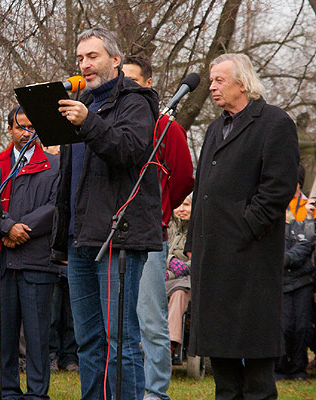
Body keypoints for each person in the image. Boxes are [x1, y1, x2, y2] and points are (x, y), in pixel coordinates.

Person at [54, 27, 162, 399]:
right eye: (80, 58)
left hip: (117, 237)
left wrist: (89, 122)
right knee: (87, 342)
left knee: (122, 341)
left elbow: (129, 150)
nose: (85, 65)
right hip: (79, 238)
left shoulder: (136, 100)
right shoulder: (81, 105)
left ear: (115, 60)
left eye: (93, 57)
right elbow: (70, 177)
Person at [184, 53, 299, 398]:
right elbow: (202, 186)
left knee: (258, 376)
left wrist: (244, 226)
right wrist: (194, 239)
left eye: (220, 80)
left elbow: (278, 189)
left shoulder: (274, 123)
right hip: (212, 257)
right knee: (224, 375)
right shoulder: (215, 128)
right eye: (211, 80)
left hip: (251, 260)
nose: (213, 87)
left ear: (243, 82)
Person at [0, 106, 60, 399]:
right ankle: (7, 393)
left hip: (37, 261)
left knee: (37, 336)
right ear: (9, 129)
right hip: (1, 262)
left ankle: (37, 394)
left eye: (32, 127)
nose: (27, 133)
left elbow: (56, 206)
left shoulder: (55, 166)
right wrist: (7, 226)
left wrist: (24, 229)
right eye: (21, 127)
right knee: (4, 335)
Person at [123, 55, 194, 400]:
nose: (126, 88)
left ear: (149, 84)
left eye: (133, 81)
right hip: (113, 236)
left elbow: (182, 179)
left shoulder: (167, 128)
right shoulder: (111, 123)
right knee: (119, 323)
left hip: (150, 236)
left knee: (150, 320)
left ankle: (155, 393)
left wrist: (161, 208)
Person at [275, 166, 315, 381]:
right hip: (280, 278)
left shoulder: (309, 209)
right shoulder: (276, 206)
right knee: (283, 326)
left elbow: (308, 242)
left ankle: (298, 369)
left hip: (303, 278)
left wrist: (289, 258)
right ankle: (279, 369)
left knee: (301, 327)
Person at [165, 194, 192, 363]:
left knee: (180, 292)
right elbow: (158, 253)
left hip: (186, 281)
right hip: (163, 277)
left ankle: (170, 344)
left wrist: (175, 270)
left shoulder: (197, 229)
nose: (181, 209)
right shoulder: (166, 226)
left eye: (186, 205)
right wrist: (170, 261)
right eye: (178, 204)